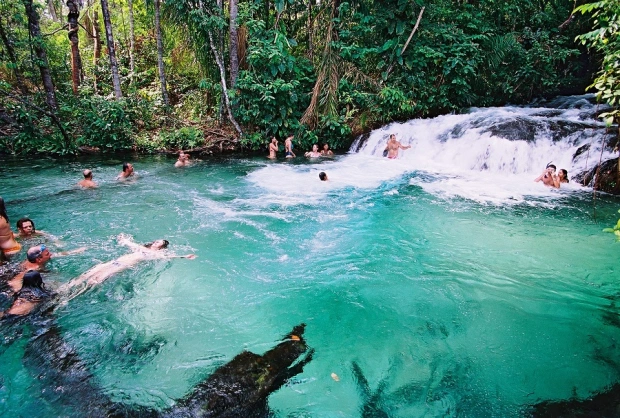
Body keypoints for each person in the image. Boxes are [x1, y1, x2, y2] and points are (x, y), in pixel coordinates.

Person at [58, 234, 196, 298]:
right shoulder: (140, 248)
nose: (155, 242)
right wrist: (122, 238)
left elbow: (168, 256)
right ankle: (63, 289)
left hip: (120, 267)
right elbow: (127, 242)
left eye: (159, 243)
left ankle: (70, 297)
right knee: (86, 275)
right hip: (112, 262)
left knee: (95, 281)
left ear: (161, 247)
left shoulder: (154, 255)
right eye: (156, 241)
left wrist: (184, 256)